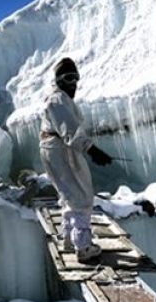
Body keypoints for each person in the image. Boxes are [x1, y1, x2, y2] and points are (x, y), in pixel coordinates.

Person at [39, 57, 113, 261]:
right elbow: (69, 130)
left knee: (68, 194)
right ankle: (83, 246)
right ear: (59, 80)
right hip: (61, 149)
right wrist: (91, 149)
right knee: (80, 194)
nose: (74, 84)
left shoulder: (58, 99)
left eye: (76, 78)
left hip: (54, 148)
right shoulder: (58, 99)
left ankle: (70, 239)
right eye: (68, 78)